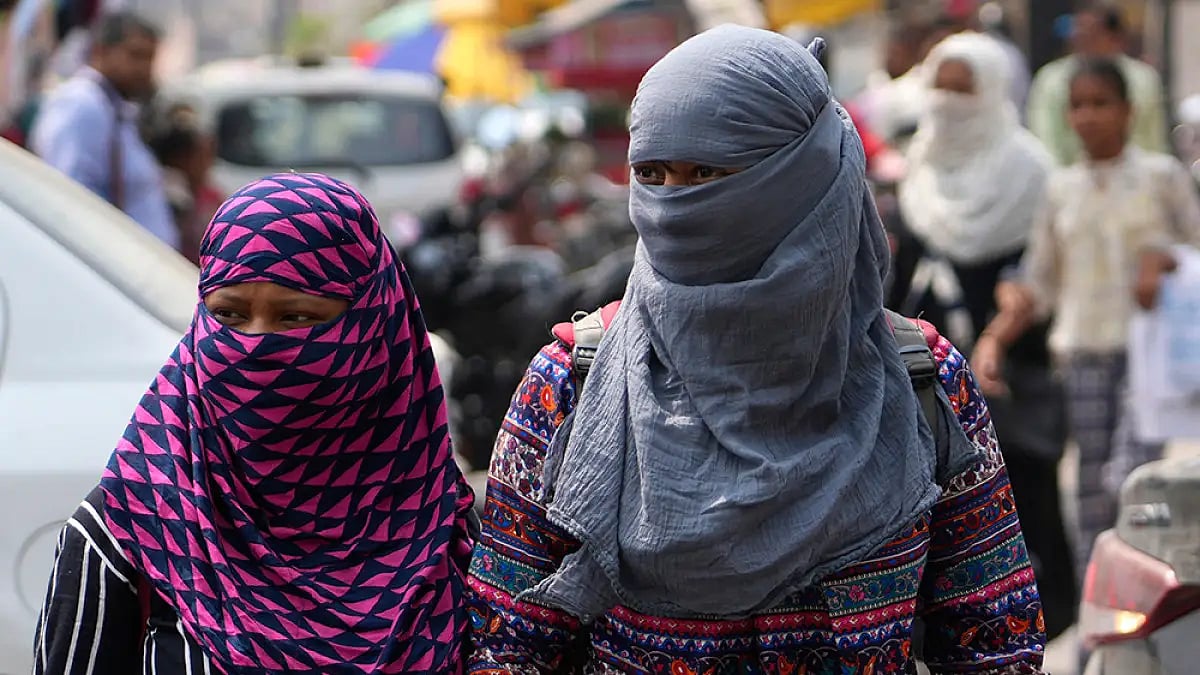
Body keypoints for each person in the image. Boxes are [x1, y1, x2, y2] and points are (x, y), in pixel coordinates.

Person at [467, 26, 1046, 674]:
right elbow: (505, 645)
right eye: (652, 174)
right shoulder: (568, 387)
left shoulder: (923, 384)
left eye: (707, 173)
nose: (674, 206)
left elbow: (997, 645)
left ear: (800, 175)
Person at [32, 173, 476, 673]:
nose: (255, 347)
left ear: (374, 325)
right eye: (229, 315)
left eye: (296, 318)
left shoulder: (442, 529)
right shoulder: (131, 527)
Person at [973, 59, 1200, 588]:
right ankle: (1100, 609)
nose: (1089, 116)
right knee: (1093, 493)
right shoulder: (1061, 189)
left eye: (1101, 103)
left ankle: (1150, 593)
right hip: (1082, 357)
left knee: (1129, 478)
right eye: (1078, 105)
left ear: (1127, 111)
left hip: (1150, 357)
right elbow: (1040, 281)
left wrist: (1163, 260)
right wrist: (993, 339)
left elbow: (1194, 250)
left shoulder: (1162, 178)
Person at [897, 32, 1078, 638]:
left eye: (963, 89)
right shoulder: (918, 167)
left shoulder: (1030, 170)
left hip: (1013, 367)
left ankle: (1049, 620)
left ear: (995, 90)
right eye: (940, 88)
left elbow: (1048, 270)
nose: (948, 104)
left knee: (1024, 496)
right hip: (927, 373)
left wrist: (1006, 326)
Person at [30, 11, 177, 248]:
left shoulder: (114, 108)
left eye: (150, 58)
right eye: (136, 55)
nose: (144, 68)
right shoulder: (82, 104)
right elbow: (72, 198)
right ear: (101, 51)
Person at [1027, 2, 1167, 165]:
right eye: (1078, 34)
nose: (1088, 116)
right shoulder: (1051, 79)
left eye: (1092, 34)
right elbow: (1045, 138)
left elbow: (1153, 137)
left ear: (1116, 38)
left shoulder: (1143, 79)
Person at [150, 105, 224, 265]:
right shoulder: (164, 195)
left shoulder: (211, 196)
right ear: (179, 159)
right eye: (201, 156)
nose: (207, 164)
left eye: (209, 155)